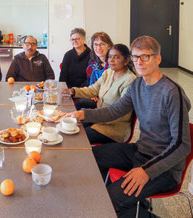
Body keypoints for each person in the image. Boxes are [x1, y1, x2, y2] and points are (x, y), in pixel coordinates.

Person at [66, 36, 191, 217]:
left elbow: (182, 145)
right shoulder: (138, 84)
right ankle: (122, 204)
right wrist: (83, 114)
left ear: (158, 58)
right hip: (141, 151)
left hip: (165, 168)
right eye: (135, 57)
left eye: (145, 56)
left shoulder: (172, 92)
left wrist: (147, 172)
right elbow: (114, 111)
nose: (138, 62)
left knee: (110, 201)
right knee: (91, 158)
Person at [63, 44, 136, 144]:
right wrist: (74, 91)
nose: (111, 60)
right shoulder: (108, 73)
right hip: (99, 117)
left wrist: (86, 114)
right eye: (110, 56)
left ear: (126, 60)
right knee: (70, 127)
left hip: (114, 127)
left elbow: (119, 113)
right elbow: (93, 90)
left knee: (77, 136)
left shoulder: (130, 81)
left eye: (116, 57)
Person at [76, 32, 113, 110]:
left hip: (107, 99)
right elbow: (88, 82)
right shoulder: (93, 63)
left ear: (109, 46)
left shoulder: (113, 64)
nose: (98, 48)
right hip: (94, 93)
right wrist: (90, 94)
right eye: (95, 44)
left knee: (81, 103)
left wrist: (97, 95)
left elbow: (113, 88)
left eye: (102, 44)